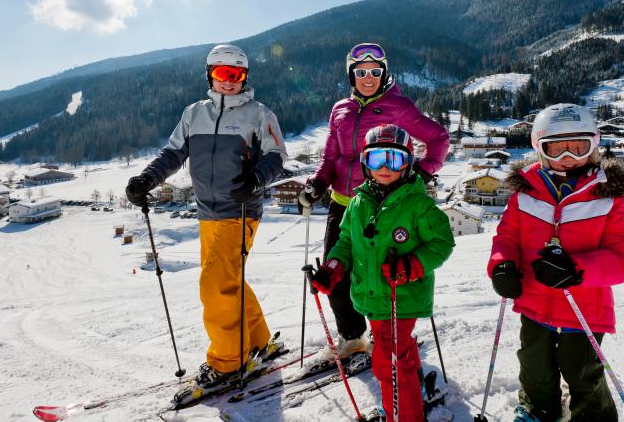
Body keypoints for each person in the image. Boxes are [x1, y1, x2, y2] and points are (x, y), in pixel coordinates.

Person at [125, 44, 287, 389]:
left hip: (240, 210)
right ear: (210, 74)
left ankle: (229, 363)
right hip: (207, 212)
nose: (229, 81)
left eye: (236, 75)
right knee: (228, 280)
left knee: (215, 285)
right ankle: (258, 342)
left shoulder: (259, 114)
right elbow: (172, 154)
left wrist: (257, 179)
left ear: (244, 77)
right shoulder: (194, 113)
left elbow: (276, 157)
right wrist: (146, 179)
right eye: (222, 74)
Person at [486, 103, 624, 422]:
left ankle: (592, 413)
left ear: (594, 145)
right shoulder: (526, 191)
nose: (567, 156)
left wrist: (577, 270)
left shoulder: (608, 195)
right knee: (534, 363)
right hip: (533, 297)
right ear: (540, 149)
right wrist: (501, 265)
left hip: (584, 303)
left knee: (580, 367)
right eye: (556, 148)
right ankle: (539, 407)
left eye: (578, 146)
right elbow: (507, 237)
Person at [298, 42, 450, 359]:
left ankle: (387, 335)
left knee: (380, 273)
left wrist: (422, 172)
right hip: (344, 203)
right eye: (361, 72)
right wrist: (317, 183)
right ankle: (353, 337)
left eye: (375, 72)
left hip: (386, 206)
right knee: (334, 273)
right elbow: (331, 156)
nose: (368, 77)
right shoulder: (340, 109)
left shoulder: (398, 106)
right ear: (351, 75)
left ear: (384, 73)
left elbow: (438, 139)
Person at [310, 124, 455, 422]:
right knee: (396, 353)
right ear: (365, 163)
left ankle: (405, 415)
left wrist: (412, 265)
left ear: (408, 163)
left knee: (388, 360)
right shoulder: (358, 202)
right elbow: (346, 242)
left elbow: (442, 243)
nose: (385, 168)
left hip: (402, 296)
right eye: (377, 160)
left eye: (395, 159)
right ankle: (409, 392)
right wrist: (333, 269)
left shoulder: (418, 205)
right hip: (371, 296)